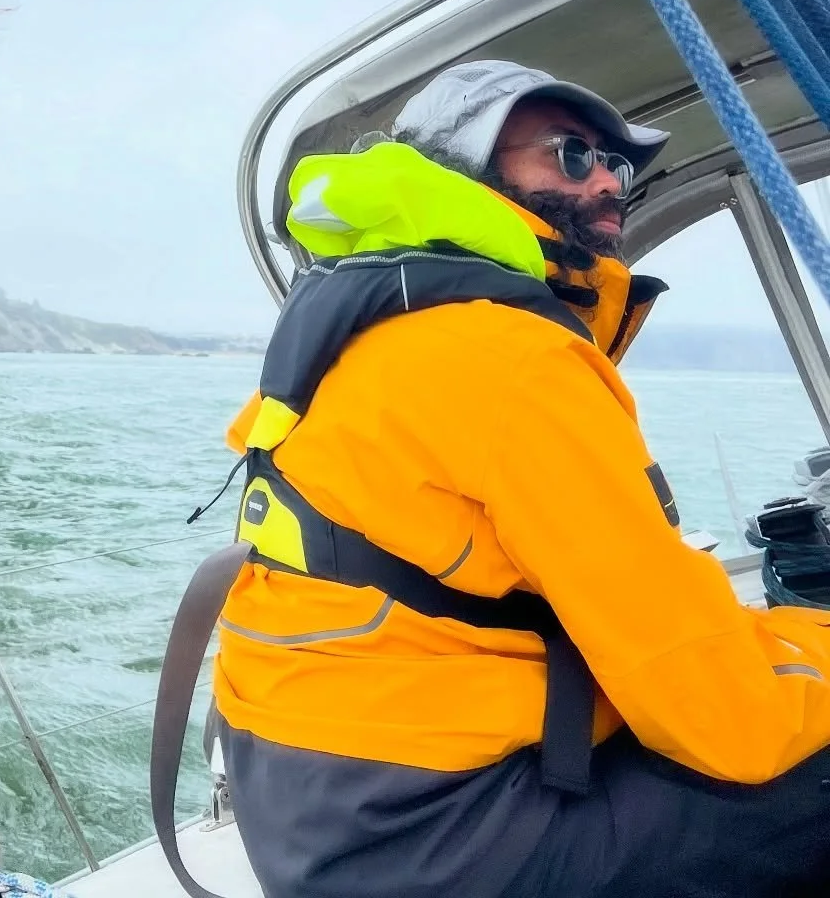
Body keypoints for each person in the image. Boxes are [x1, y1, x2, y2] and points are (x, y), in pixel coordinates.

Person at [212, 59, 830, 898]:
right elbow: (728, 724)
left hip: (311, 808)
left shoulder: (381, 328)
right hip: (431, 837)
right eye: (571, 154)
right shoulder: (512, 360)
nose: (609, 179)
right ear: (462, 172)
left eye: (617, 164)